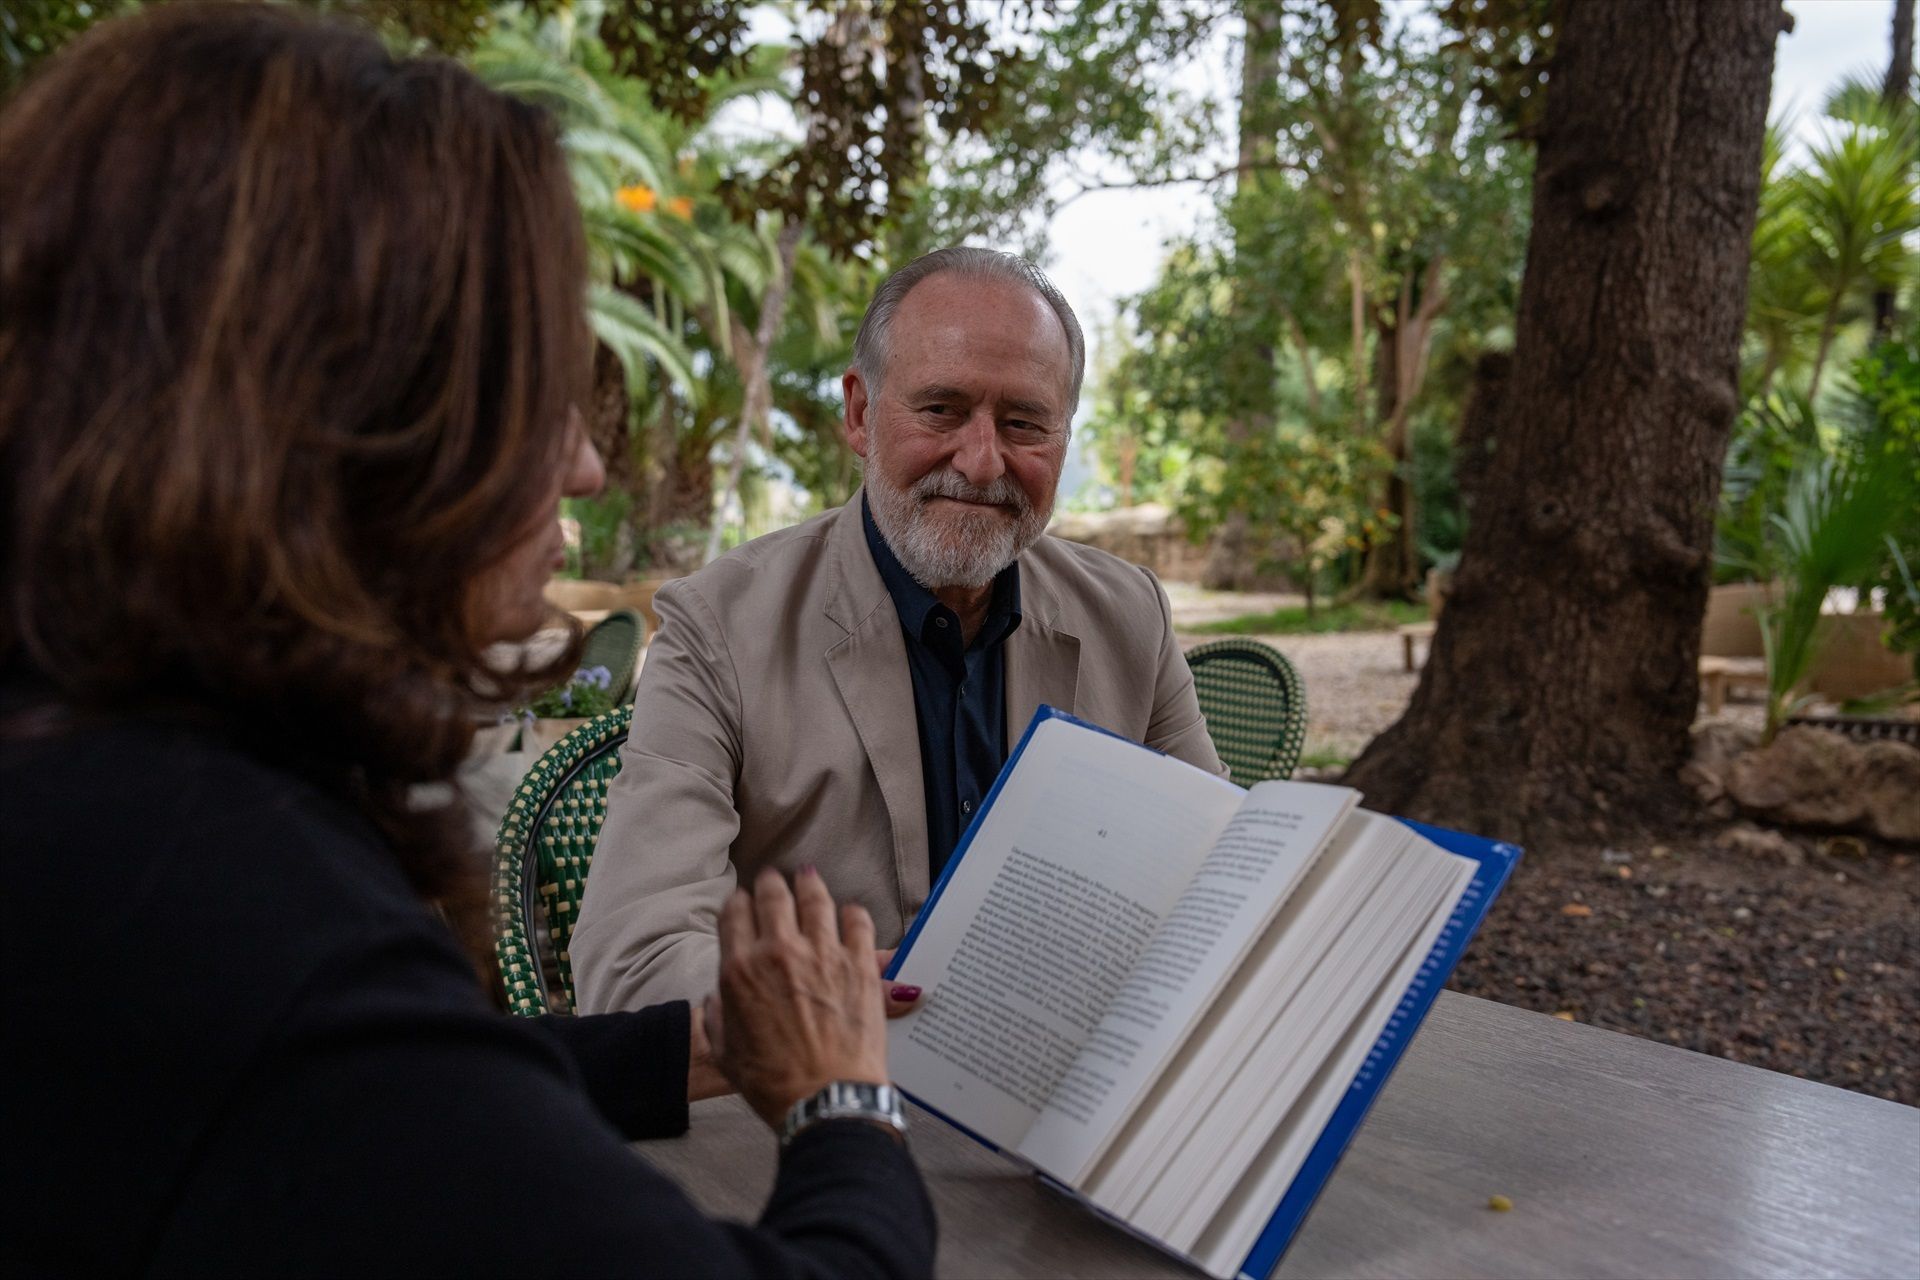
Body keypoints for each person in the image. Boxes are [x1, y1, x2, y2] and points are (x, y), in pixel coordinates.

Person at [0, 6, 933, 1276]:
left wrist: (702, 1041)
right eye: (531, 390)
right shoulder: (225, 904)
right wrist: (846, 1107)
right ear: (351, 417)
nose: (587, 463)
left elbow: (390, 1092)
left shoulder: (109, 799)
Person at [572, 247, 1224, 1014]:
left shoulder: (1128, 615)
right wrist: (836, 1000)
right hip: (817, 1075)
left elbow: (1218, 886)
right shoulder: (719, 628)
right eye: (941, 410)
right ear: (859, 414)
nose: (982, 463)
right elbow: (632, 962)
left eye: (1024, 423)